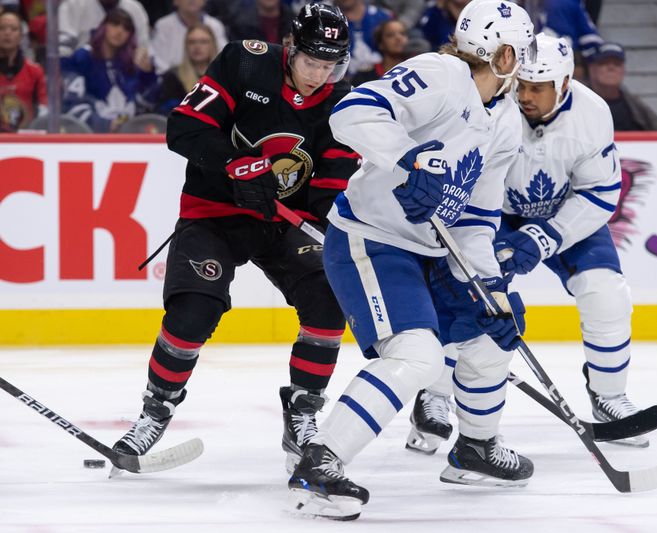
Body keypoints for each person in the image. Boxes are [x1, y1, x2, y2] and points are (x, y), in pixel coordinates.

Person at [287, 0, 536, 520]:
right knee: (417, 355)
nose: (528, 59)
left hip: (431, 251)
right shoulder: (440, 73)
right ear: (505, 52)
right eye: (524, 48)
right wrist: (410, 157)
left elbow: (477, 215)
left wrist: (490, 289)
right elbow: (351, 111)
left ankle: (475, 449)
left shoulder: (507, 119)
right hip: (371, 239)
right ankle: (320, 461)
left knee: (491, 330)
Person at [111, 4, 360, 476]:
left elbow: (335, 173)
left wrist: (325, 222)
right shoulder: (243, 62)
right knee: (193, 311)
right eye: (311, 62)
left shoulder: (339, 98)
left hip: (285, 221)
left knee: (328, 297)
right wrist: (232, 165)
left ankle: (303, 413)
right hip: (216, 213)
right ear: (290, 49)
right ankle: (155, 410)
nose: (319, 75)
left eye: (330, 65)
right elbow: (182, 127)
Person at [409, 34, 654, 454]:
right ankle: (435, 396)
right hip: (494, 215)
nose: (524, 95)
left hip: (566, 216)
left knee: (606, 293)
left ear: (564, 82)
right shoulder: (491, 106)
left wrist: (549, 235)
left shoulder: (592, 112)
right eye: (521, 83)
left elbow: (599, 192)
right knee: (469, 300)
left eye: (537, 88)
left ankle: (609, 395)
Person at [60, 8, 158, 132]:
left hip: (131, 133)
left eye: (126, 28)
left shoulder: (132, 62)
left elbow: (148, 104)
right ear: (103, 26)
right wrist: (103, 124)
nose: (119, 31)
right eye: (115, 24)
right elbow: (72, 101)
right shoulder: (83, 57)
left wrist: (148, 74)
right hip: (91, 135)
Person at [585, 41, 657, 131]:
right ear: (592, 69)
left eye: (617, 64)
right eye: (604, 63)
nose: (611, 67)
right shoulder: (579, 99)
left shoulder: (635, 105)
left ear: (623, 70)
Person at [150, 0, 228, 75]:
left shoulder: (215, 25)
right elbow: (159, 62)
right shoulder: (163, 26)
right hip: (174, 81)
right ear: (175, 1)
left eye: (203, 41)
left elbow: (224, 59)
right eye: (192, 42)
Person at [0, 9, 46, 131]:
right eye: (2, 28)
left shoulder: (35, 71)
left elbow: (43, 111)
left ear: (21, 35)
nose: (7, 33)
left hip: (27, 138)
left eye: (13, 29)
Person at [156, 24, 218, 114]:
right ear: (186, 46)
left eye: (203, 42)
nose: (197, 46)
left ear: (212, 45)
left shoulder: (226, 76)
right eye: (192, 42)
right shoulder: (173, 76)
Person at [350, 19, 408, 86]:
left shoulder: (417, 68)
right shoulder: (364, 77)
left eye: (402, 33)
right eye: (390, 35)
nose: (398, 38)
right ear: (381, 44)